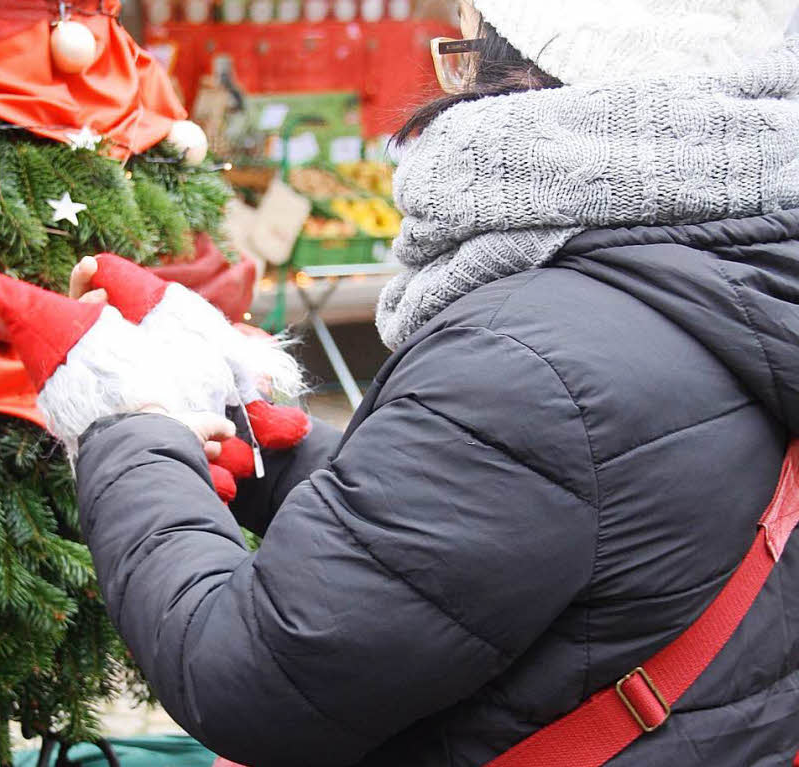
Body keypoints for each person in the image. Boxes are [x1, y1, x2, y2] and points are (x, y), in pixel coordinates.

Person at [69, 1, 799, 764]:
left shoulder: (525, 361)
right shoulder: (736, 277)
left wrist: (128, 426)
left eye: (466, 57)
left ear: (527, 79)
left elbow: (249, 674)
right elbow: (515, 516)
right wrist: (263, 451)